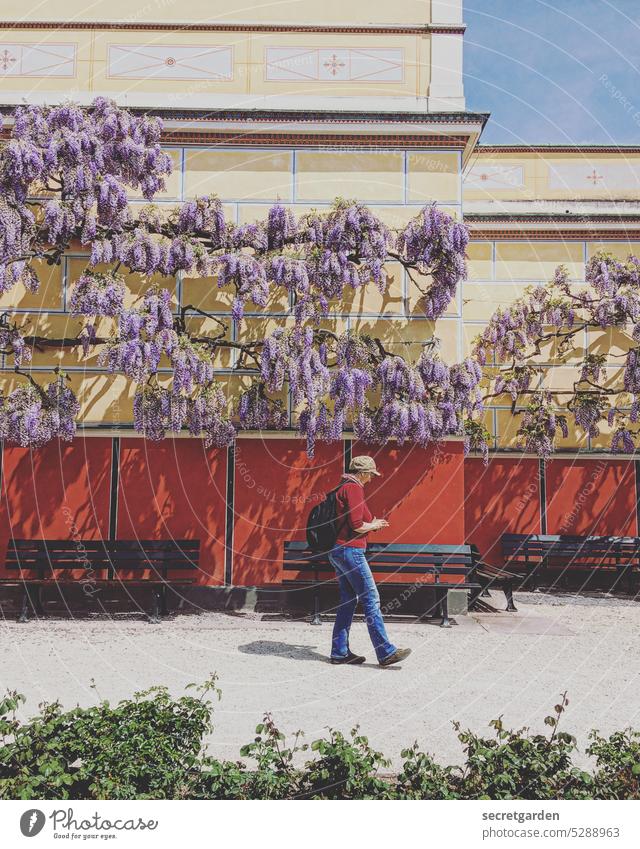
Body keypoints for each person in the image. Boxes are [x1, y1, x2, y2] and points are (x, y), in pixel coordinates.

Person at [328, 455, 412, 668]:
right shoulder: (354, 488)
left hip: (338, 551)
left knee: (348, 601)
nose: (371, 479)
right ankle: (385, 652)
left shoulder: (342, 487)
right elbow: (356, 524)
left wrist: (371, 523)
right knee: (371, 598)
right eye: (370, 475)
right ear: (363, 473)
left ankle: (339, 653)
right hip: (351, 551)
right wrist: (374, 525)